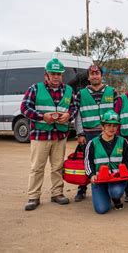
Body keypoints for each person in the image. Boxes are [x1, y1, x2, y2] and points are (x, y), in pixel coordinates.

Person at [21, 58, 77, 211]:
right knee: (37, 167)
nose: (56, 76)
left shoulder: (69, 90)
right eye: (53, 73)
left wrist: (69, 116)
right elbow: (24, 108)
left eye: (59, 74)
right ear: (46, 75)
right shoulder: (35, 88)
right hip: (41, 135)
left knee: (57, 167)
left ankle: (57, 193)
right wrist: (42, 116)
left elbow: (74, 107)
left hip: (60, 135)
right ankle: (33, 196)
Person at [74, 64, 117, 202]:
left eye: (97, 73)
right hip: (88, 134)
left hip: (108, 133)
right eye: (92, 74)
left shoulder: (112, 91)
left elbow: (117, 112)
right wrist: (80, 133)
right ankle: (82, 189)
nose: (95, 76)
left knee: (108, 161)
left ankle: (109, 188)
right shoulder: (81, 94)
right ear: (88, 77)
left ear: (101, 75)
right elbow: (77, 115)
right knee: (87, 161)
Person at [84, 110, 128, 214]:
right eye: (108, 125)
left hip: (117, 178)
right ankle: (105, 195)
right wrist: (92, 175)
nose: (112, 128)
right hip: (99, 180)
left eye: (115, 126)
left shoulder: (123, 141)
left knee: (116, 192)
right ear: (102, 127)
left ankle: (115, 197)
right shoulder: (93, 143)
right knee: (102, 210)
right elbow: (88, 161)